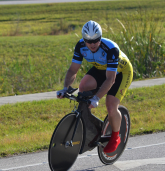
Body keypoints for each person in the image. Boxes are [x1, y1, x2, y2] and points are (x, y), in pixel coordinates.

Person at [57, 20, 133, 154]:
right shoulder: (80, 46)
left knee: (110, 105)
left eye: (96, 40)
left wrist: (97, 98)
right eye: (88, 41)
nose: (92, 44)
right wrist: (65, 88)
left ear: (100, 37)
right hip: (100, 68)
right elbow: (73, 70)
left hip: (121, 73)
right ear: (84, 39)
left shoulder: (110, 49)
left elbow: (110, 79)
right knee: (83, 86)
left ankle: (116, 137)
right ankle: (88, 122)